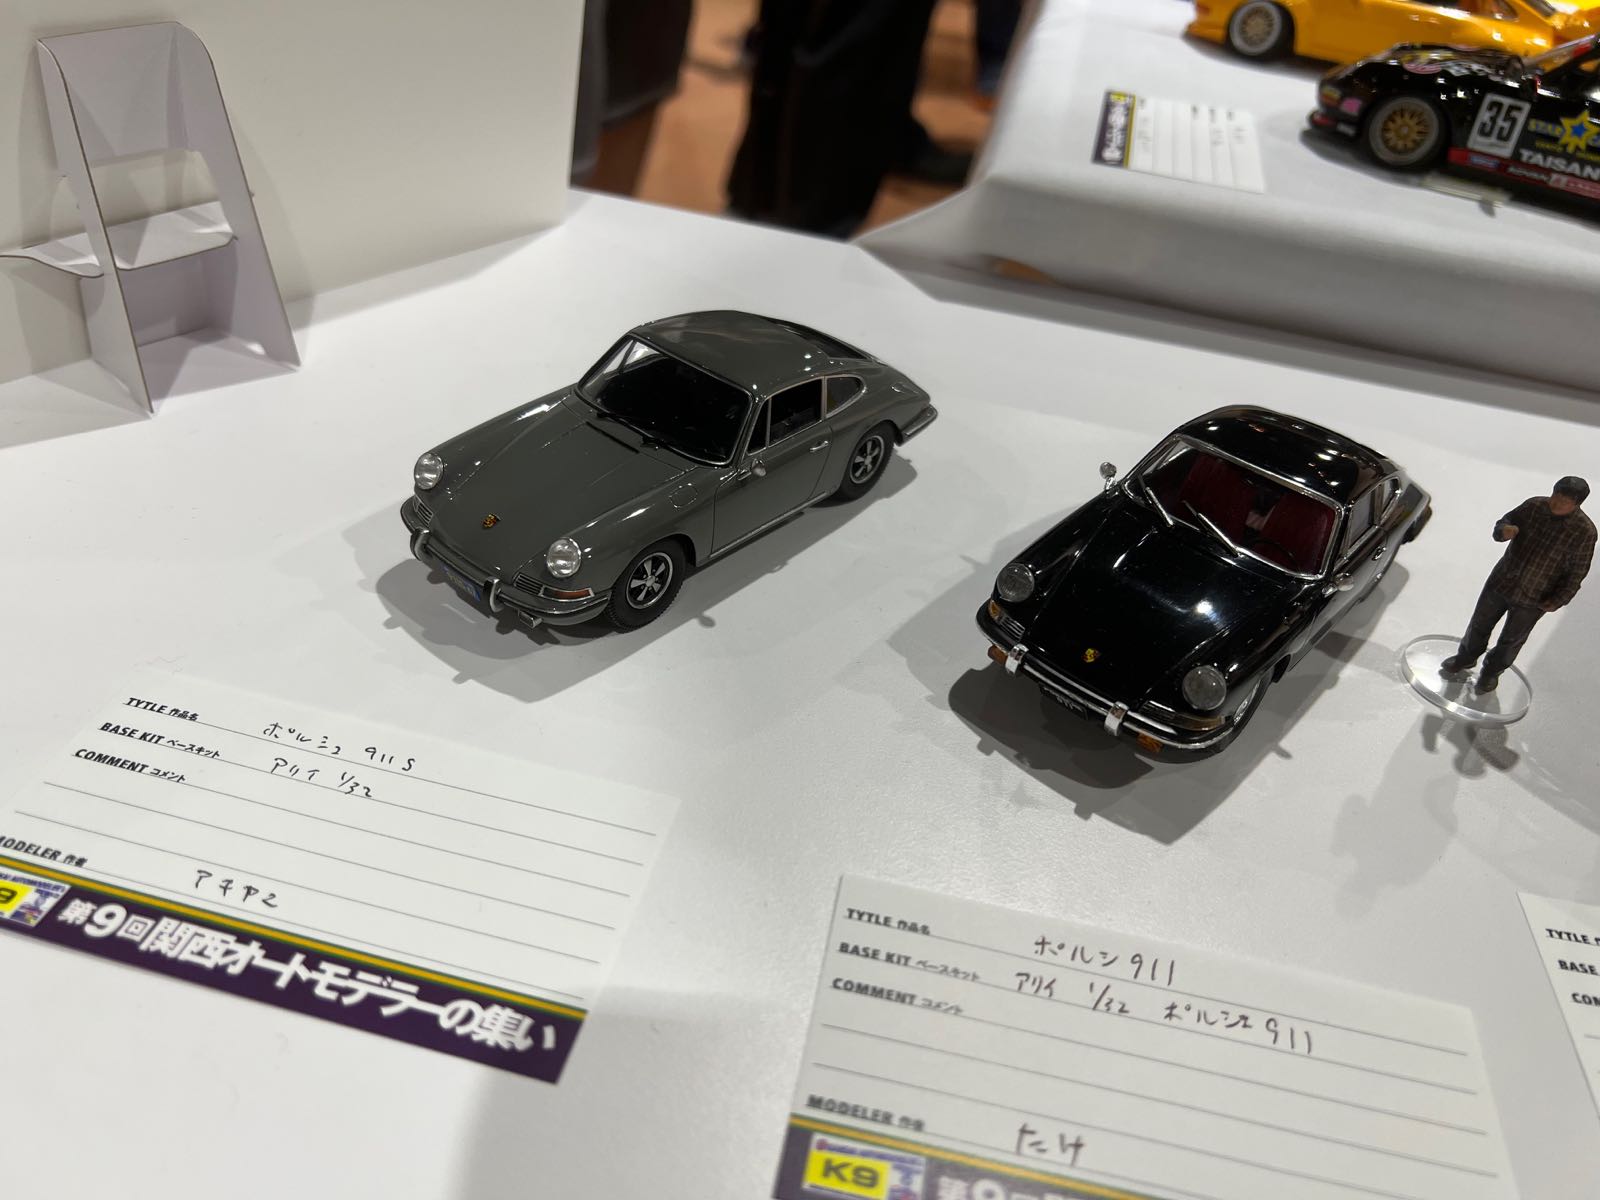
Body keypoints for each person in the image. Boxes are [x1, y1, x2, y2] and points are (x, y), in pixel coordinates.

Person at [1441, 477, 1595, 692]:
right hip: (1502, 581)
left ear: (1576, 504)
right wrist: (1504, 530)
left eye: (1564, 502)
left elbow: (1577, 572)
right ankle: (1466, 657)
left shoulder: (1584, 532)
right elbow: (1504, 522)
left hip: (1536, 597)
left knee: (1512, 640)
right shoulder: (1534, 506)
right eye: (1555, 496)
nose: (1556, 503)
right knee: (1479, 624)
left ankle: (1491, 672)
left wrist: (1558, 600)